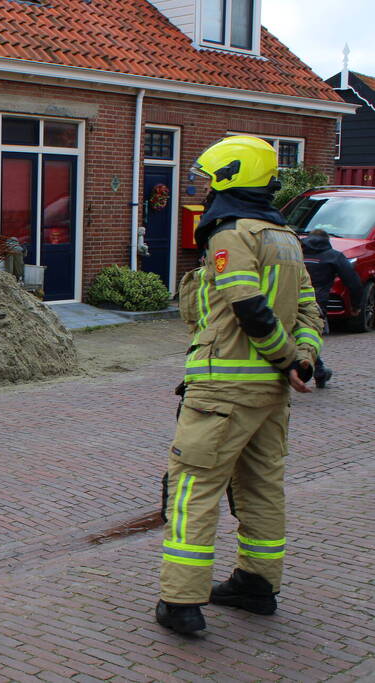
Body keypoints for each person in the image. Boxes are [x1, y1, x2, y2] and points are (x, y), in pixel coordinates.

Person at [156, 136, 324, 635]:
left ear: (231, 178)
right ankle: (257, 584)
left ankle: (181, 602)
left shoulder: (232, 233)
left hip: (221, 390)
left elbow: (247, 305)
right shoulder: (285, 236)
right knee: (262, 488)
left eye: (209, 179)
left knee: (193, 487)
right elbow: (310, 311)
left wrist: (289, 356)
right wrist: (304, 361)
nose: (204, 189)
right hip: (271, 395)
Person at [301, 228, 363, 388]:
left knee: (295, 335)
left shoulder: (296, 252)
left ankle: (319, 370)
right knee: (310, 336)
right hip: (316, 304)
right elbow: (353, 281)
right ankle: (318, 371)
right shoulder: (333, 256)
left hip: (291, 299)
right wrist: (356, 306)